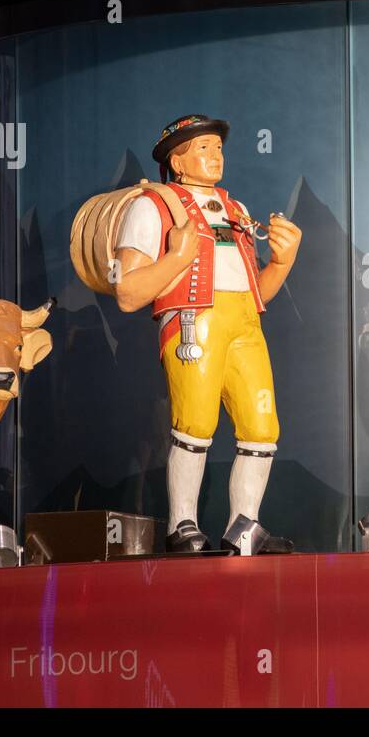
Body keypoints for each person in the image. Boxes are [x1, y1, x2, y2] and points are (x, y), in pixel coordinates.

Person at [111, 115, 302, 553]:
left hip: (244, 325)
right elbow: (127, 292)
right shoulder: (153, 206)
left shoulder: (236, 210)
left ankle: (245, 525)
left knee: (261, 426)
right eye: (203, 147)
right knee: (194, 423)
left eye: (218, 147)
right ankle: (182, 525)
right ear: (176, 160)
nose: (215, 156)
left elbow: (256, 292)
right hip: (194, 321)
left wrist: (282, 262)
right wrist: (177, 257)